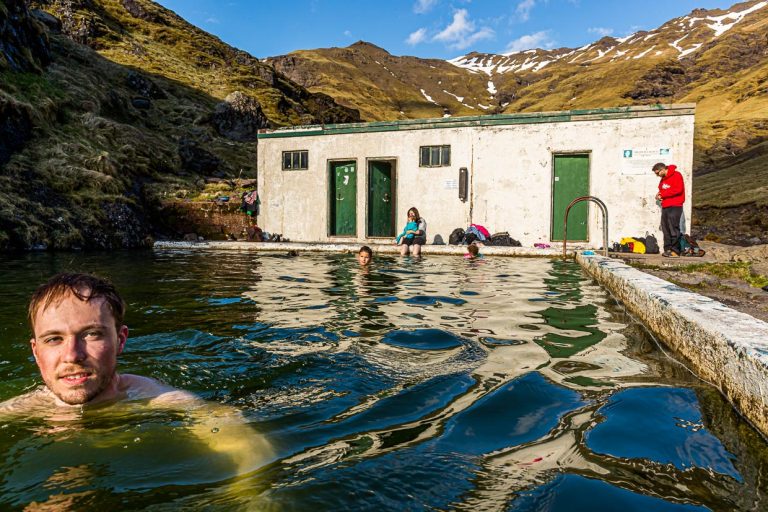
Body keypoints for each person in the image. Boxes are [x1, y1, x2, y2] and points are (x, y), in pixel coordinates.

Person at [653, 162, 685, 257]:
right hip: (665, 206)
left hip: (675, 205)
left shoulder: (676, 175)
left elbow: (678, 189)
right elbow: (662, 190)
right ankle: (667, 249)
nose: (657, 175)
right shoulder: (663, 179)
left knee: (673, 228)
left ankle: (675, 251)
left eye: (657, 173)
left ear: (663, 169)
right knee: (665, 228)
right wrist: (659, 195)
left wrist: (663, 194)